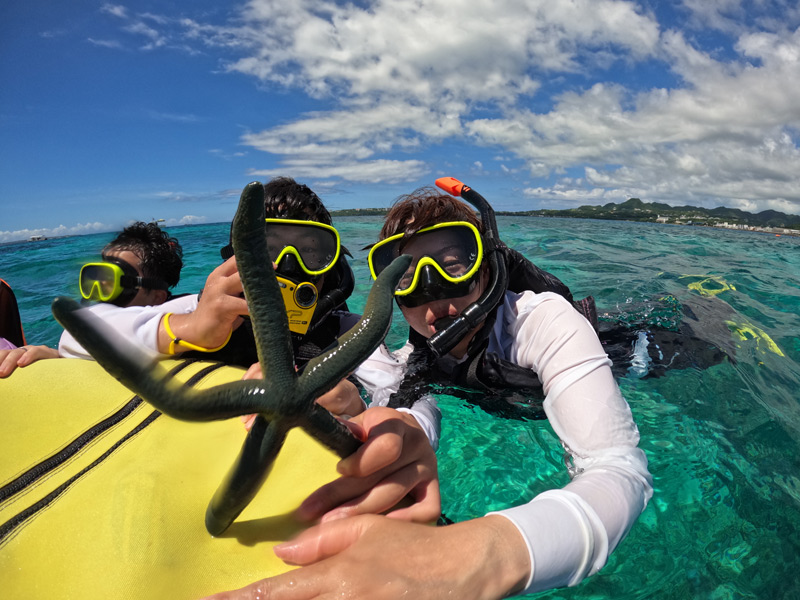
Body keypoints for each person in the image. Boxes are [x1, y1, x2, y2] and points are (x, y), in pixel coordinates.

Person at [207, 179, 653, 599]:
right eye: (405, 274)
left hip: (647, 354)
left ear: (487, 265)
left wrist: (481, 556)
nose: (432, 290)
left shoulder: (541, 321)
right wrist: (396, 429)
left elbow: (619, 470)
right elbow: (409, 408)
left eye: (453, 263)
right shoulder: (411, 359)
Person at [57, 178, 440, 438]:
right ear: (237, 261)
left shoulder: (351, 333)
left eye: (311, 252)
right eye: (267, 250)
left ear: (331, 266)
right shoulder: (201, 313)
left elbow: (409, 394)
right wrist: (192, 329)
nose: (288, 267)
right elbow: (76, 332)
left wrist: (355, 406)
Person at [0, 223, 183, 377]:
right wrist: (54, 355)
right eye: (97, 275)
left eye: (117, 279)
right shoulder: (83, 336)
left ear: (157, 298)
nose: (102, 286)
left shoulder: (173, 332)